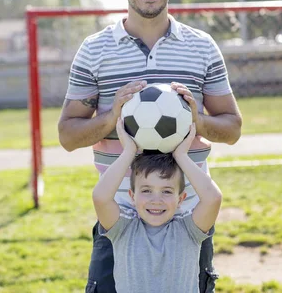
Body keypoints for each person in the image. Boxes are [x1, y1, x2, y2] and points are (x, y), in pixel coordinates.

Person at [58, 0, 242, 293]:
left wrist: (197, 122)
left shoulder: (201, 47)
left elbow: (232, 128)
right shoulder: (95, 50)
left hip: (189, 215)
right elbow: (68, 136)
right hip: (120, 216)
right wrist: (113, 117)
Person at [92, 118, 222, 293]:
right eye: (146, 190)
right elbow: (100, 197)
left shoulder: (189, 230)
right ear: (132, 196)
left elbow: (212, 199)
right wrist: (128, 151)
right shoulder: (123, 229)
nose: (156, 199)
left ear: (181, 199)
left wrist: (181, 156)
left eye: (167, 191)